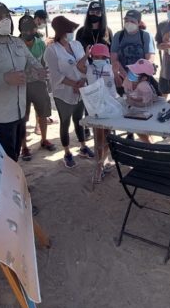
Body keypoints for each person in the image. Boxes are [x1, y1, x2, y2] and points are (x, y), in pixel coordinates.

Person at [0, 1, 48, 161]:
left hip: (18, 112)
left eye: (7, 16)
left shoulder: (17, 42)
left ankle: (16, 185)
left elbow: (32, 63)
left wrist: (39, 72)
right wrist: (4, 79)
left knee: (14, 157)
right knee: (1, 161)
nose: (6, 20)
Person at [44, 15, 94, 168]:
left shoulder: (77, 44)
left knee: (79, 120)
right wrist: (74, 84)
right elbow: (55, 74)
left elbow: (83, 64)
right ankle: (67, 152)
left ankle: (83, 146)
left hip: (80, 89)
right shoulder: (51, 50)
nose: (72, 32)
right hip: (63, 93)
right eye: (69, 30)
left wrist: (83, 80)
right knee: (65, 122)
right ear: (61, 31)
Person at [18, 14, 56, 161]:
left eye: (31, 30)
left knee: (43, 113)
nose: (28, 33)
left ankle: (44, 140)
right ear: (21, 30)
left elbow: (45, 62)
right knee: (23, 117)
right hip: (22, 86)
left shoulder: (40, 43)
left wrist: (46, 75)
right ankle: (24, 147)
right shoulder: (16, 45)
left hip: (39, 84)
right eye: (25, 30)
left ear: (35, 28)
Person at [86, 43, 116, 182]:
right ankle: (98, 167)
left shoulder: (109, 68)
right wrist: (86, 55)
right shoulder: (89, 68)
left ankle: (105, 160)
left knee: (108, 136)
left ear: (106, 57)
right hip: (95, 108)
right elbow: (79, 66)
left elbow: (117, 85)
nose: (99, 58)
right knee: (98, 138)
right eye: (96, 56)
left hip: (109, 107)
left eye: (102, 56)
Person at [110, 9, 155, 93]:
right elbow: (114, 59)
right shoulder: (118, 36)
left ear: (138, 22)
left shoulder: (145, 36)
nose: (128, 23)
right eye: (126, 20)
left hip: (141, 78)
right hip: (122, 76)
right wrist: (127, 77)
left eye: (132, 21)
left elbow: (150, 59)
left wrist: (137, 78)